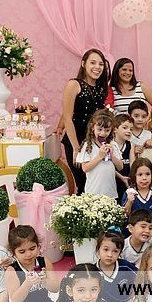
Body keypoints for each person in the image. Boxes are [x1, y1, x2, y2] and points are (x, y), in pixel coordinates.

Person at [60, 49, 110, 194]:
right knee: (82, 184)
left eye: (101, 64)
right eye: (93, 63)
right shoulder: (74, 84)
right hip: (76, 140)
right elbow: (67, 118)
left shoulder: (101, 89)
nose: (97, 67)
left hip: (93, 143)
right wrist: (76, 148)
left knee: (95, 183)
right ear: (83, 64)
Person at [76, 110, 124, 199]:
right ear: (92, 127)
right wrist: (99, 156)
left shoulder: (113, 144)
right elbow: (85, 168)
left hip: (110, 192)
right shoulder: (87, 145)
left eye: (107, 130)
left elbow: (120, 167)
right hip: (93, 192)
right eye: (99, 129)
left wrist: (112, 156)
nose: (103, 133)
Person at [94, 229, 137, 302]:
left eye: (115, 251)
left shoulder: (125, 266)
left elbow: (142, 279)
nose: (110, 255)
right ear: (98, 249)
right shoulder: (92, 271)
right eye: (106, 249)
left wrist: (133, 295)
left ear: (120, 252)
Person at [123, 158, 152, 238]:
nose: (144, 178)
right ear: (134, 176)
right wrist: (129, 202)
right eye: (140, 175)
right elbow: (125, 214)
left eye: (147, 174)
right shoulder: (129, 192)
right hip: (132, 236)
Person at [113, 113, 136, 203]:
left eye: (131, 129)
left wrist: (133, 178)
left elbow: (132, 164)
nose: (129, 131)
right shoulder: (110, 144)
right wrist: (120, 177)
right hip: (113, 179)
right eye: (125, 128)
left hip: (127, 181)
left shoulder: (130, 145)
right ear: (115, 129)